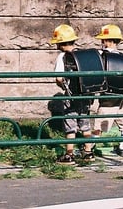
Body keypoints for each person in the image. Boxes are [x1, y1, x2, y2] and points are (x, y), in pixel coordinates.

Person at [48, 24, 95, 165]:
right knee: (85, 124)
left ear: (60, 44)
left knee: (70, 125)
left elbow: (58, 78)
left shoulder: (63, 57)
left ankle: (69, 155)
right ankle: (88, 152)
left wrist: (63, 86)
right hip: (86, 96)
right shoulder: (82, 55)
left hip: (71, 96)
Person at [93, 23, 123, 156]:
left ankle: (89, 147)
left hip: (108, 94)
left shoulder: (100, 56)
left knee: (100, 121)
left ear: (106, 41)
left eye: (102, 40)